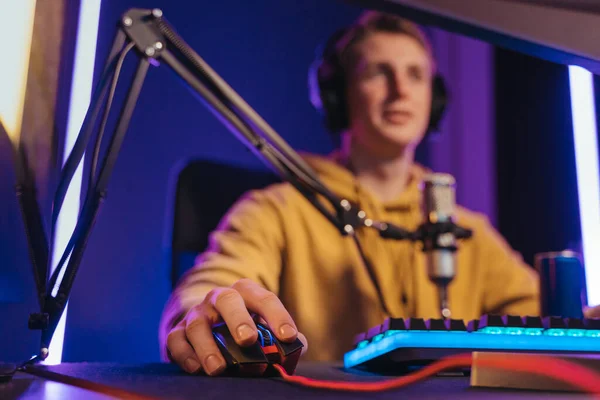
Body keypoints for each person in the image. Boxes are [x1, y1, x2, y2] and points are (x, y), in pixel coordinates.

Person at [159, 11, 599, 376]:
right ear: (338, 96)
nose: (400, 90)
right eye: (377, 72)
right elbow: (210, 285)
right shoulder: (276, 210)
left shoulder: (469, 232)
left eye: (416, 75)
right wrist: (204, 312)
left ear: (435, 99)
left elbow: (542, 323)